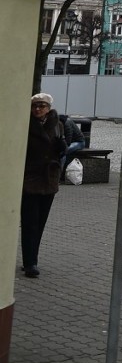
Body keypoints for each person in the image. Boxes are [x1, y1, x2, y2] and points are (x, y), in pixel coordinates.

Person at [20, 93, 66, 278]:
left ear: (48, 108)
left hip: (49, 179)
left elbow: (65, 147)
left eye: (42, 106)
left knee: (40, 222)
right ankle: (29, 262)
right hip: (30, 179)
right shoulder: (25, 125)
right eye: (35, 106)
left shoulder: (58, 125)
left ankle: (33, 258)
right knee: (29, 222)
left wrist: (62, 148)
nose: (38, 109)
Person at [60, 114, 85, 179]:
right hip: (71, 142)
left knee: (63, 152)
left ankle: (59, 175)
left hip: (79, 142)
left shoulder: (67, 123)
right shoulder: (60, 123)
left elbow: (68, 140)